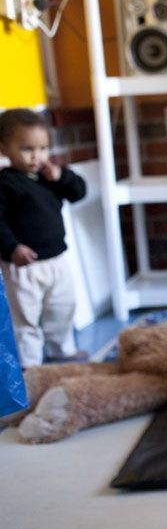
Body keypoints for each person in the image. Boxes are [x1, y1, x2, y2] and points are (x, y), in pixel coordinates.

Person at [0, 108, 87, 368]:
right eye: (27, 149)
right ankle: (30, 364)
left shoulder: (50, 177)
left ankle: (61, 349)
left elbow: (78, 192)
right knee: (26, 316)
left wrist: (63, 177)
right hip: (23, 264)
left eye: (43, 148)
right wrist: (12, 247)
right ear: (4, 149)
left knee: (62, 307)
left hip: (57, 259)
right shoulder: (5, 184)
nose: (37, 156)